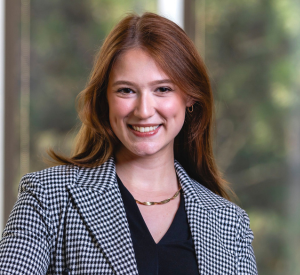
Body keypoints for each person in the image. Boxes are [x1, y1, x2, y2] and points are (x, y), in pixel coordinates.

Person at [0, 12, 257, 275]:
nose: (144, 110)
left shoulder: (229, 223)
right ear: (105, 99)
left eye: (163, 89)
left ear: (190, 96)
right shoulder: (49, 197)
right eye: (126, 90)